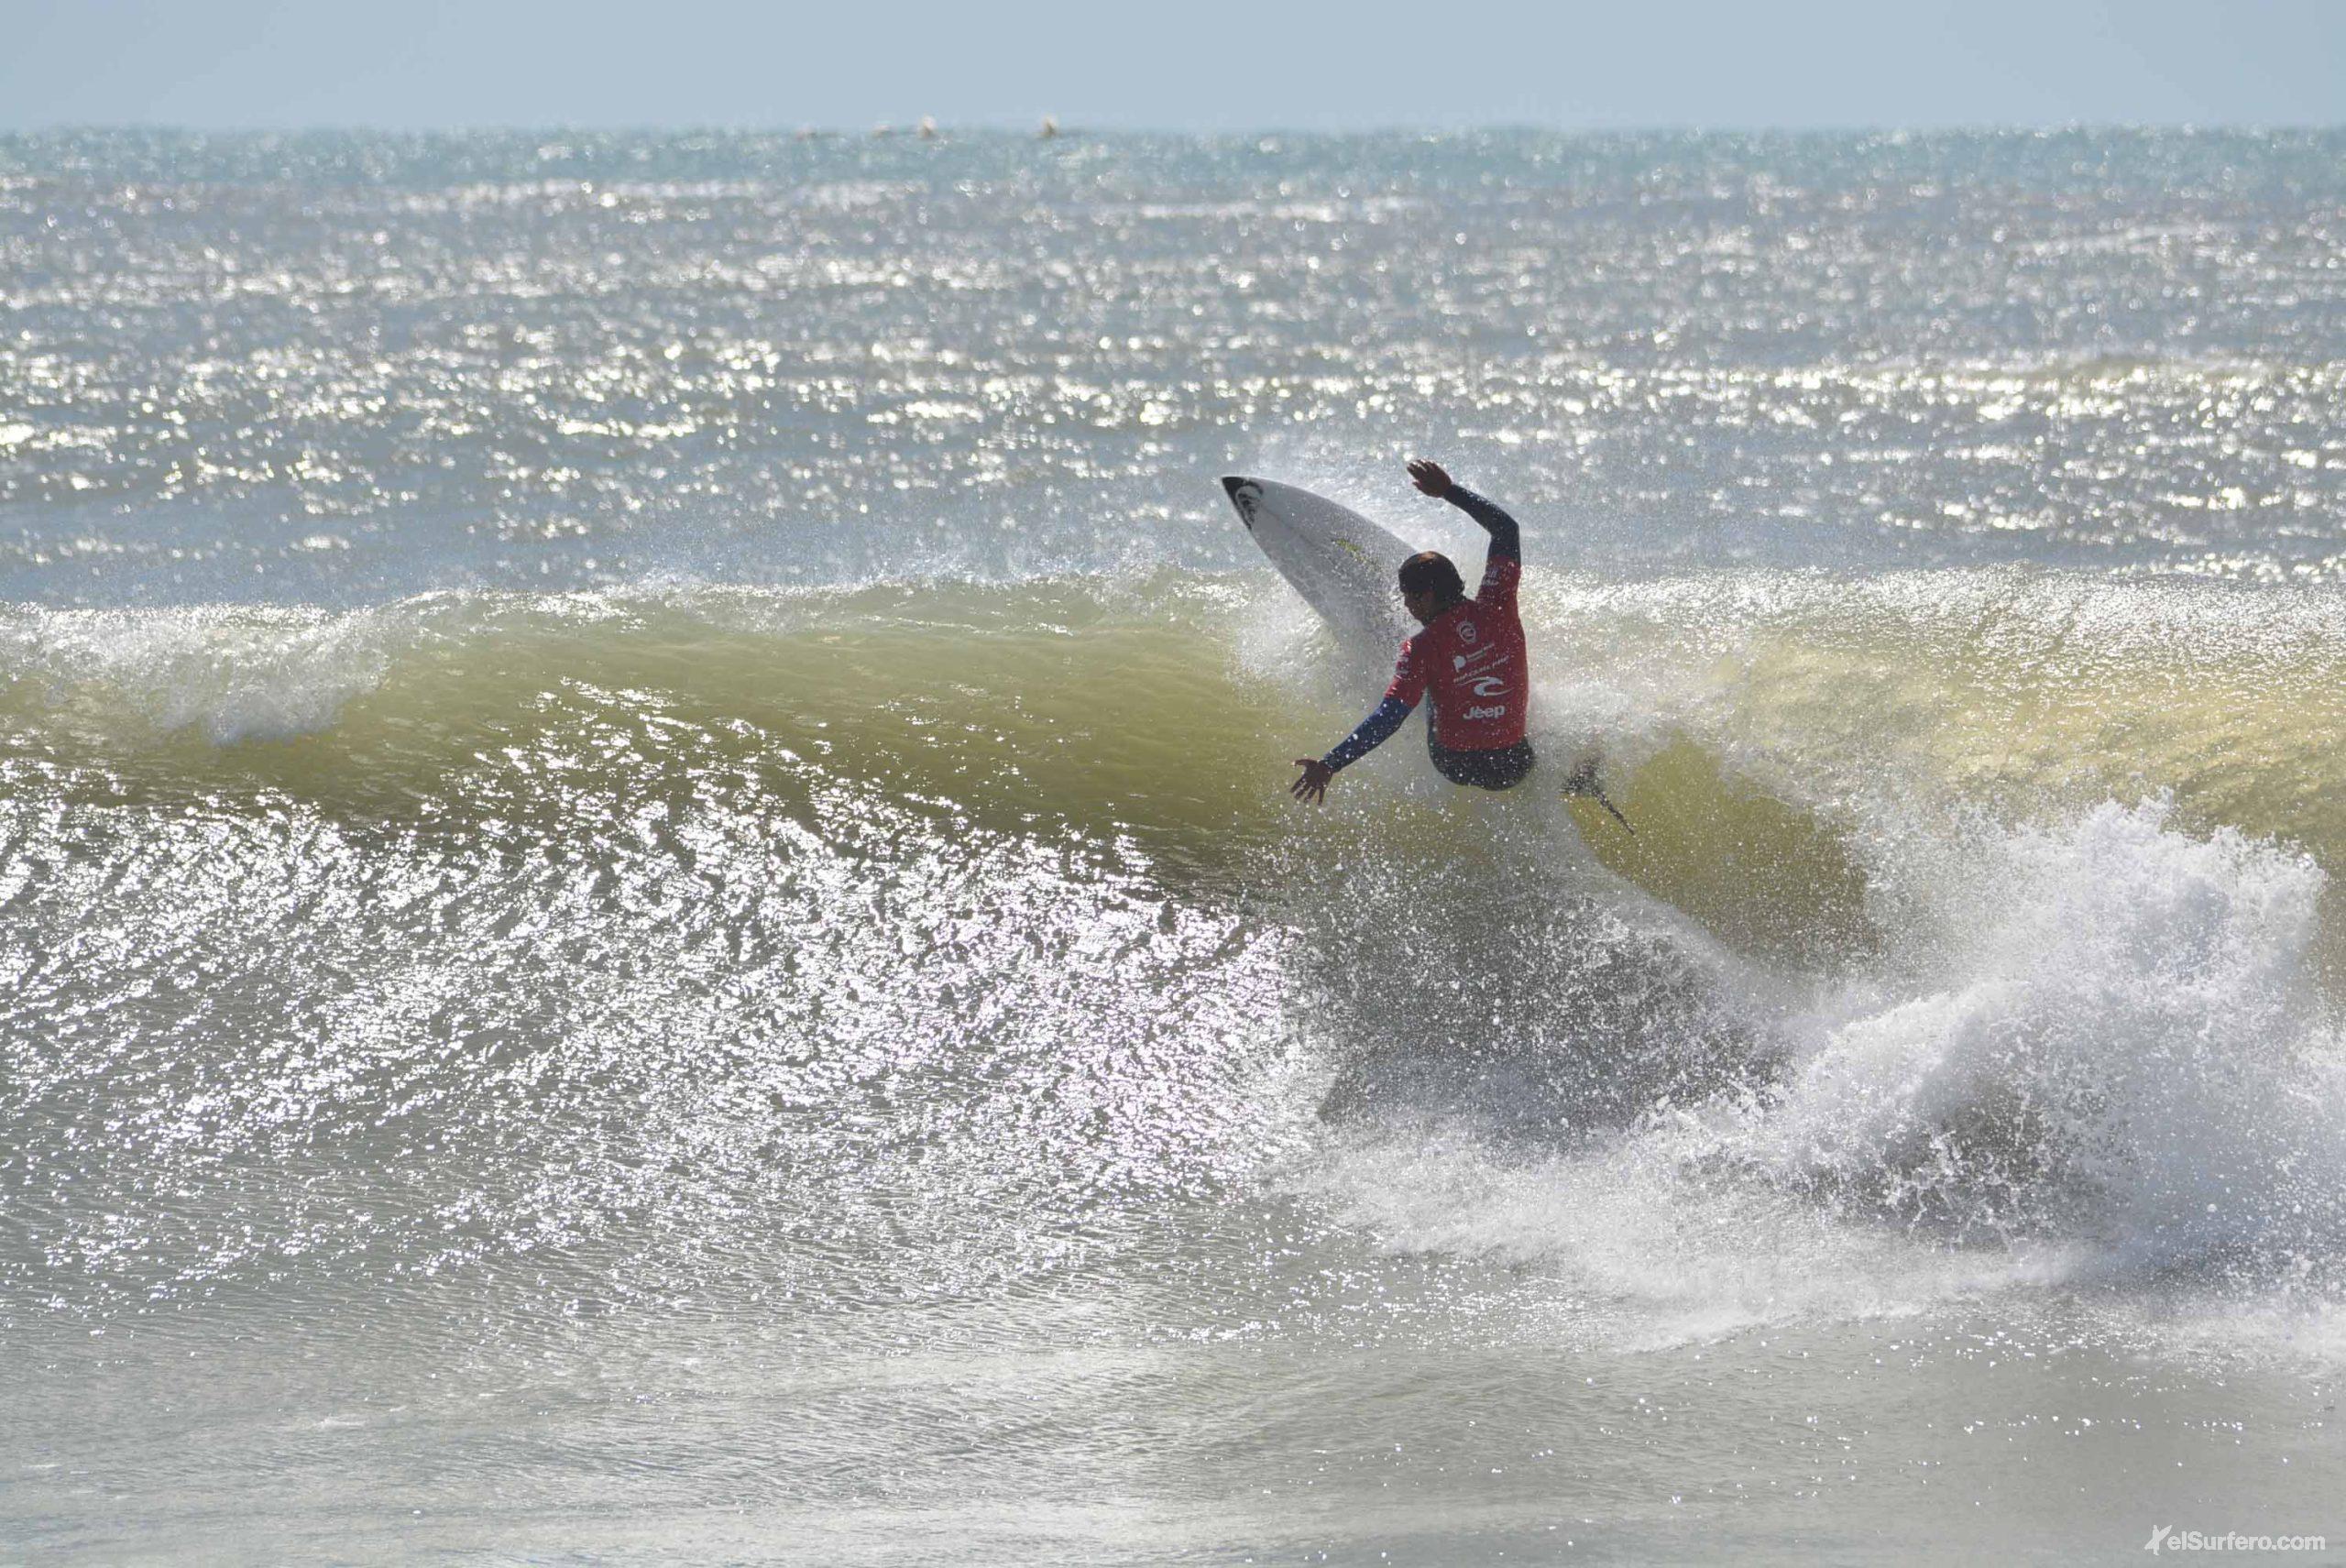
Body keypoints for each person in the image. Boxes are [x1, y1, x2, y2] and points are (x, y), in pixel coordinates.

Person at [1291, 459, 1536, 804]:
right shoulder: (1499, 604)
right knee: (1520, 727)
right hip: (1513, 766)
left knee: (1426, 686)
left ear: (1427, 596)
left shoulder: (1419, 649)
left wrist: (1331, 764)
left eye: (1408, 597)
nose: (1406, 605)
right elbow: (1506, 529)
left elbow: (1390, 716)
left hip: (1456, 764)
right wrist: (1449, 491)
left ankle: (1437, 687)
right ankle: (1573, 779)